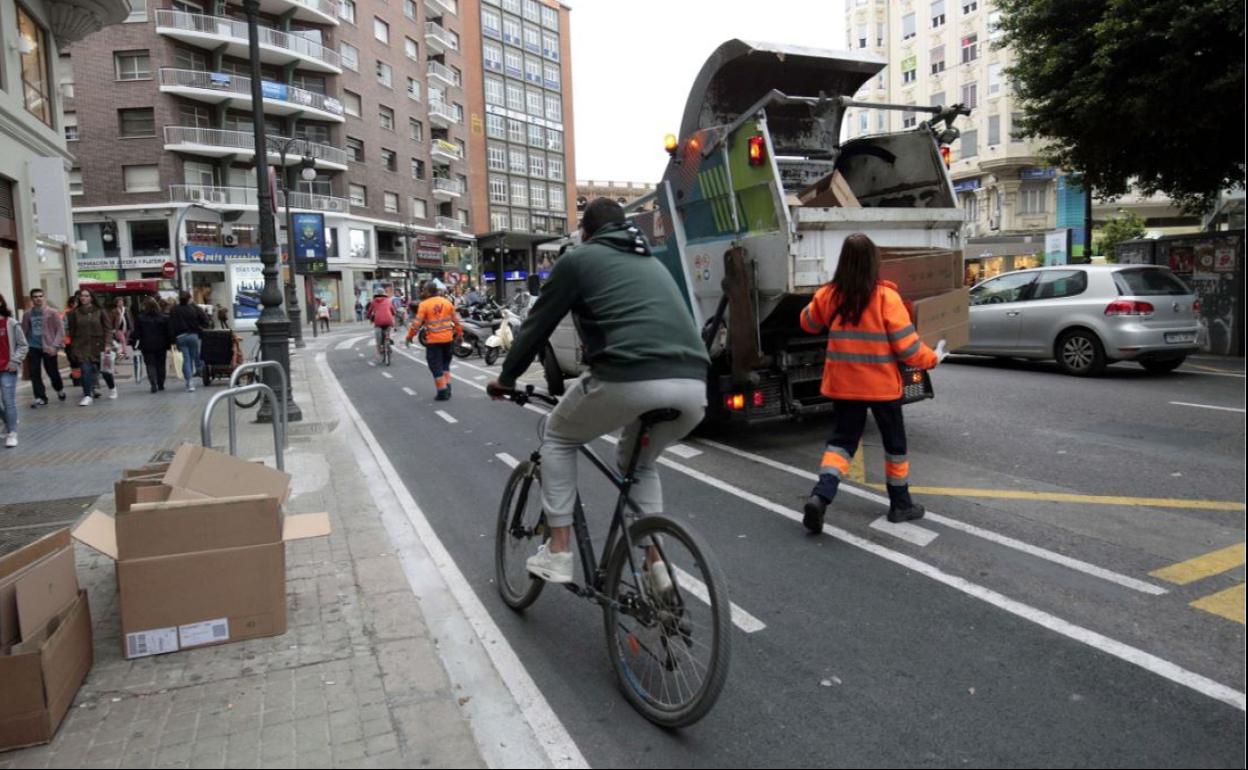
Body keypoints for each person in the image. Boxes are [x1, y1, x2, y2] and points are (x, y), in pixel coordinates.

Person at [487, 198, 709, 585]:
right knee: (638, 464)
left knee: (557, 436)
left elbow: (536, 327)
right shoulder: (651, 262)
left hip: (628, 376)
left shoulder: (578, 259)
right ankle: (655, 563)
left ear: (586, 233)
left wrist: (506, 379)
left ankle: (558, 551)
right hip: (695, 383)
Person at [798, 233, 947, 534]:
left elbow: (808, 323)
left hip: (844, 386)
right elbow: (908, 348)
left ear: (843, 262)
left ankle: (821, 496)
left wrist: (820, 295)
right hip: (881, 388)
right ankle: (900, 503)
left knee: (841, 442)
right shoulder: (886, 298)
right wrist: (933, 358)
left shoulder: (830, 295)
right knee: (894, 444)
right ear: (874, 263)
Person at [406, 281, 462, 401]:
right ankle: (447, 387)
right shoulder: (447, 302)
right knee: (445, 364)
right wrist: (459, 334)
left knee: (435, 366)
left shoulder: (424, 304)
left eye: (424, 290)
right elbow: (456, 320)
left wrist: (410, 336)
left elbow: (416, 323)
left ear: (428, 291)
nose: (422, 292)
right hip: (448, 339)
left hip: (434, 341)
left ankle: (442, 391)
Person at [67, 287, 115, 406]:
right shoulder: (74, 313)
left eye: (86, 296)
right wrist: (73, 346)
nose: (83, 298)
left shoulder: (100, 311)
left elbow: (108, 329)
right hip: (82, 346)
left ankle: (112, 387)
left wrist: (108, 344)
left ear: (92, 298)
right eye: (82, 296)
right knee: (85, 370)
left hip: (99, 345)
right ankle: (87, 395)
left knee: (105, 371)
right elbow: (72, 331)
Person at [20, 288, 66, 408]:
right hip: (33, 347)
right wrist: (23, 346)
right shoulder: (27, 314)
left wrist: (55, 346)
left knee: (52, 372)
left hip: (49, 347)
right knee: (35, 373)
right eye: (35, 297)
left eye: (40, 296)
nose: (38, 298)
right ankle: (40, 397)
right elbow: (23, 331)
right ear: (32, 299)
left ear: (44, 298)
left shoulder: (52, 312)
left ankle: (59, 389)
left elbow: (60, 331)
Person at [1, 293, 29, 447]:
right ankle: (8, 422)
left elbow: (23, 345)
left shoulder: (10, 323)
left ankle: (12, 432)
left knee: (8, 400)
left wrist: (15, 360)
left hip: (8, 368)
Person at [169, 290, 210, 392]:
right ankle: (200, 369)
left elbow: (171, 326)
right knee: (195, 355)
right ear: (189, 298)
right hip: (193, 335)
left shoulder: (174, 310)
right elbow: (205, 321)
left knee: (186, 360)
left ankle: (190, 382)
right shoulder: (194, 308)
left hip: (180, 337)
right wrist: (200, 327)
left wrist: (172, 339)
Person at [133, 298, 173, 393]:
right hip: (161, 345)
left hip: (147, 345)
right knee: (161, 364)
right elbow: (169, 332)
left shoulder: (140, 318)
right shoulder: (164, 318)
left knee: (150, 364)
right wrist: (170, 343)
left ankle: (153, 383)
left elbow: (137, 333)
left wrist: (135, 344)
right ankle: (161, 383)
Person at [365, 288, 396, 359]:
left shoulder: (373, 302)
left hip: (378, 322)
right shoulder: (389, 300)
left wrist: (368, 317)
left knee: (378, 338)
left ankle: (380, 349)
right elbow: (393, 311)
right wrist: (393, 313)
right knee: (387, 333)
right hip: (388, 321)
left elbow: (369, 312)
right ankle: (388, 343)